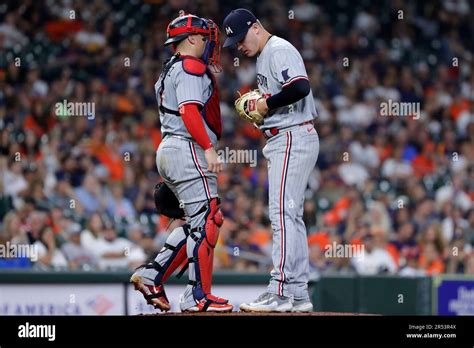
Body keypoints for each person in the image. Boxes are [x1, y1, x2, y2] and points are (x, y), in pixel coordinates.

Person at [130, 14, 233, 312]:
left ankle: (152, 275)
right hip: (187, 147)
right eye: (203, 38)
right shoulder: (189, 67)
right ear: (190, 39)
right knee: (209, 218)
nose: (207, 43)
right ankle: (198, 295)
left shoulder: (168, 69)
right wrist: (209, 148)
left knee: (196, 222)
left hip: (170, 147)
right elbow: (189, 111)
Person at [223, 8, 319, 312]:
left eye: (240, 39)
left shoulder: (278, 49)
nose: (239, 47)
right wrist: (268, 104)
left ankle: (278, 291)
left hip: (291, 136)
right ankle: (299, 294)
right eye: (234, 44)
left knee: (281, 215)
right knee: (291, 216)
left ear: (255, 27)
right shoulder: (266, 55)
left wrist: (267, 102)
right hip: (287, 136)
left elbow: (301, 87)